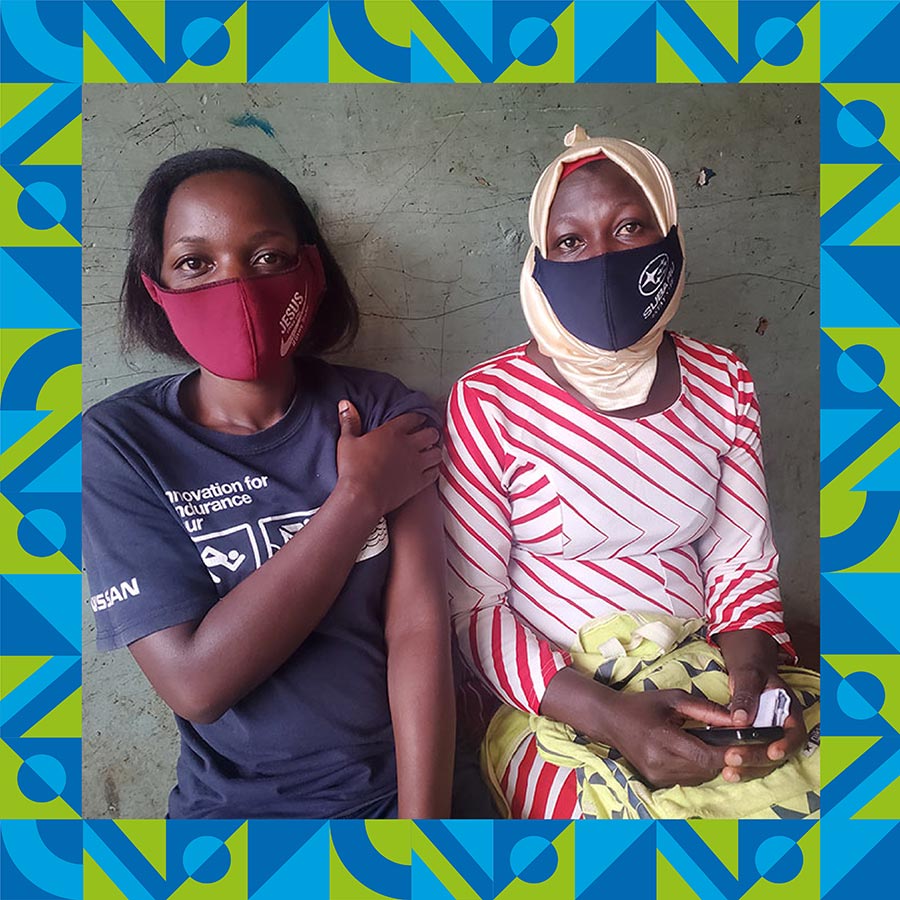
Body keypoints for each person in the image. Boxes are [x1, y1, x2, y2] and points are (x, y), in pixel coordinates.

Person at [440, 127, 820, 819]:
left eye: (630, 227)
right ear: (540, 260)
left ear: (669, 240)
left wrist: (756, 694)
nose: (604, 259)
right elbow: (476, 608)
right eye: (571, 242)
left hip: (708, 670)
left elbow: (742, 565)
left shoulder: (722, 378)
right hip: (559, 703)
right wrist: (611, 717)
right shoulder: (489, 399)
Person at [83, 148, 454, 819]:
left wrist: (422, 840)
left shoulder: (383, 411)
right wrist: (355, 500)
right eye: (196, 263)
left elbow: (418, 630)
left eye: (267, 258)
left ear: (309, 270)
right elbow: (196, 684)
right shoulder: (121, 443)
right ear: (156, 288)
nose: (237, 287)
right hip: (228, 816)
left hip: (393, 798)